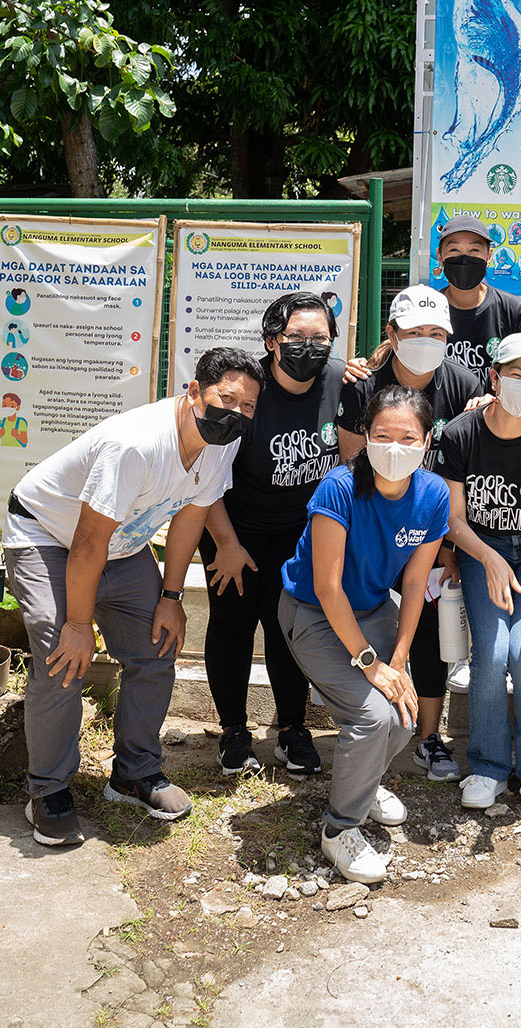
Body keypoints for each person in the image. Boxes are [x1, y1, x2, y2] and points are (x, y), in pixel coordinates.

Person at [2, 347, 263, 847]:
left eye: (247, 406)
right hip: (48, 536)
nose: (236, 414)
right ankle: (48, 791)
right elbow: (86, 543)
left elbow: (191, 515)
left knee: (157, 645)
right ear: (193, 392)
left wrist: (170, 595)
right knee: (63, 657)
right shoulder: (136, 445)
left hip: (123, 545)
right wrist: (79, 625)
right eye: (226, 399)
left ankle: (134, 773)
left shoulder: (221, 443)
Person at [278, 386, 449, 883]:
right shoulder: (338, 487)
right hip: (313, 612)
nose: (394, 448)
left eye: (407, 437)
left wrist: (398, 658)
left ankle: (365, 781)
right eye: (382, 436)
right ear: (364, 438)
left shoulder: (434, 495)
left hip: (374, 610)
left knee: (403, 713)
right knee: (374, 718)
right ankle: (340, 828)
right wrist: (371, 664)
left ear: (427, 440)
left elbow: (416, 582)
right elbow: (328, 588)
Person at [198, 293, 345, 778]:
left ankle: (292, 729)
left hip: (299, 531)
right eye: (296, 338)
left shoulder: (338, 379)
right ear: (270, 341)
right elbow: (206, 479)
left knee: (288, 628)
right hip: (233, 524)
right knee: (233, 624)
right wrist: (227, 545)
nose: (310, 347)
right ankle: (234, 730)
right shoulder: (248, 391)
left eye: (320, 338)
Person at [338, 285, 480, 780]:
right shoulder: (361, 384)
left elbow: (464, 462)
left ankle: (429, 736)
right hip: (374, 527)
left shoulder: (462, 382)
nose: (425, 340)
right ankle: (368, 721)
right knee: (368, 620)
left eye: (436, 333)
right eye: (415, 332)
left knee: (426, 628)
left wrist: (444, 544)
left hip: (433, 528)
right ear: (393, 335)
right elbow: (352, 464)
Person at [437, 333, 521, 824]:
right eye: (517, 374)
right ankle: (489, 767)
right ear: (494, 377)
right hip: (481, 549)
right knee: (491, 656)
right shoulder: (460, 433)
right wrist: (487, 558)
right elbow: (453, 519)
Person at [435, 214, 521, 386]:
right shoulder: (430, 309)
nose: (464, 259)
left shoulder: (512, 309)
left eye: (474, 251)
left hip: (496, 411)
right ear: (440, 256)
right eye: (454, 251)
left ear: (489, 256)